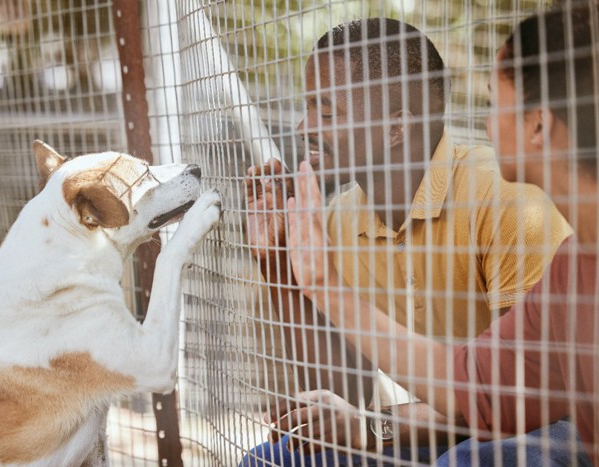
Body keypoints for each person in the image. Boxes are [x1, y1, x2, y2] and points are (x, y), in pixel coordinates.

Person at [243, 16, 572, 466]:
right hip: (444, 422)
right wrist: (279, 264)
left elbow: (530, 399)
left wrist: (378, 426)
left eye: (327, 112)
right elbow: (345, 393)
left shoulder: (506, 200)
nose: (303, 127)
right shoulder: (340, 220)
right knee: (275, 458)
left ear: (396, 129)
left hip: (547, 423)